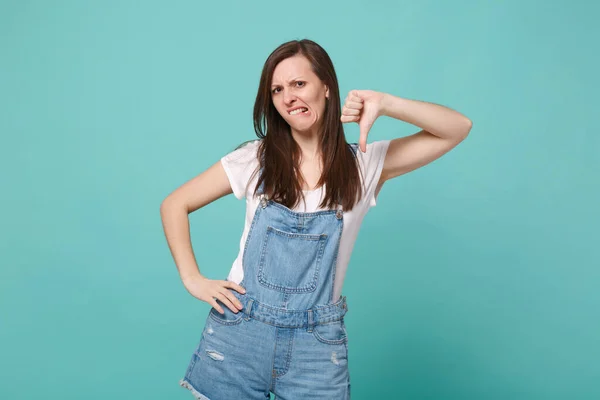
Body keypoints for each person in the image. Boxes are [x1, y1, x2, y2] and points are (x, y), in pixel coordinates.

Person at [160, 38, 472, 400]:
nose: (288, 96)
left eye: (298, 84)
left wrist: (385, 103)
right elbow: (174, 204)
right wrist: (193, 279)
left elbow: (457, 127)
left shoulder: (365, 165)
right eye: (277, 90)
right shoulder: (254, 159)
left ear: (326, 87)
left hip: (317, 346)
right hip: (240, 335)